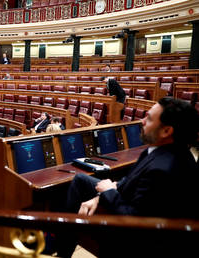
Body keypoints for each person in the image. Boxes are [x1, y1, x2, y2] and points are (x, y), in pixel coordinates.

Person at [55, 97, 199, 257]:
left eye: (149, 118)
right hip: (127, 200)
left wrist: (108, 192)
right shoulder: (164, 150)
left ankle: (63, 251)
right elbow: (131, 179)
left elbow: (134, 221)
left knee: (78, 189)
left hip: (138, 242)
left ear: (167, 131)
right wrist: (101, 195)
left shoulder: (163, 170)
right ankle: (64, 246)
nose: (142, 121)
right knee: (81, 180)